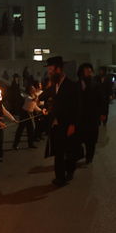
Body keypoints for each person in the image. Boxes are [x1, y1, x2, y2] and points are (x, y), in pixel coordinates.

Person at [43, 56, 80, 187]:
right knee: (58, 152)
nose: (49, 72)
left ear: (59, 69)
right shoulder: (54, 85)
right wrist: (46, 108)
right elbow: (48, 100)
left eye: (51, 70)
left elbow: (76, 107)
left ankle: (70, 171)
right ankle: (60, 177)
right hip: (55, 124)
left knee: (69, 151)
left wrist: (73, 124)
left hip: (67, 124)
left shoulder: (71, 85)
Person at [75, 62, 107, 165]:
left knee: (91, 139)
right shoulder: (77, 84)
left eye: (90, 71)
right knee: (79, 137)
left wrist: (103, 113)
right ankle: (80, 154)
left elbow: (102, 100)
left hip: (93, 116)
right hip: (80, 117)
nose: (89, 72)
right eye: (86, 71)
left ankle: (89, 156)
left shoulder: (96, 85)